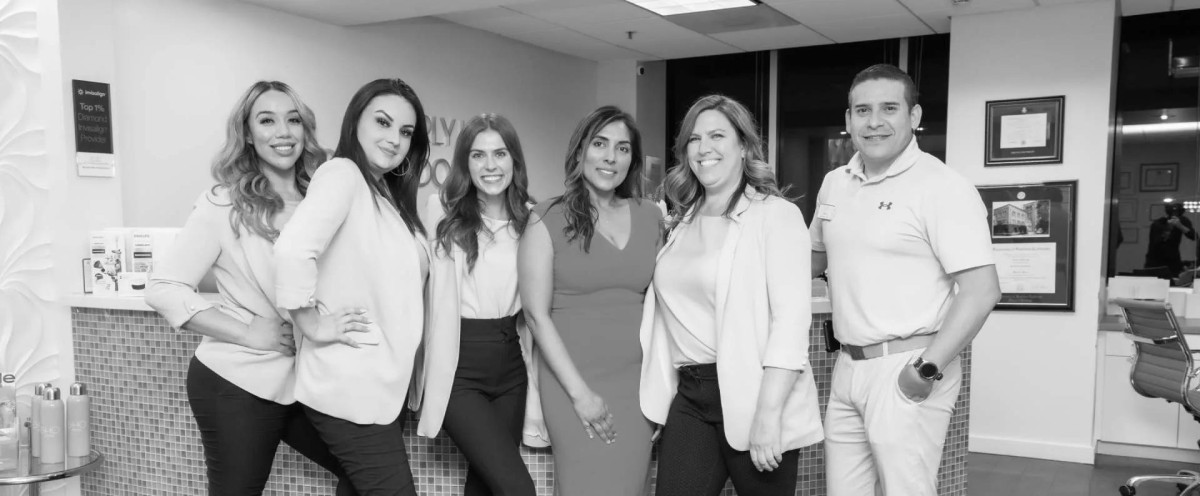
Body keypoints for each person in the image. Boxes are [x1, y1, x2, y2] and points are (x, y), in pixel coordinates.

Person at [146, 80, 354, 495]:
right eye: (267, 120)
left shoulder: (324, 200)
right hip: (237, 380)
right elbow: (163, 287)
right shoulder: (223, 204)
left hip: (307, 380)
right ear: (247, 133)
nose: (283, 132)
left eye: (293, 120)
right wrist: (247, 333)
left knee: (365, 471)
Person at [810, 63, 1001, 496]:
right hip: (848, 366)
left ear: (914, 116)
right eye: (862, 110)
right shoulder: (835, 184)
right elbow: (811, 258)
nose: (874, 122)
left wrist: (926, 369)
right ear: (848, 120)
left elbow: (982, 290)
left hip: (907, 365)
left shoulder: (942, 186)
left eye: (889, 108)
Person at [639, 94, 824, 496]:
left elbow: (790, 323)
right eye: (694, 139)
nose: (704, 148)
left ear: (743, 146)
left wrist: (768, 415)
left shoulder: (774, 215)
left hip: (756, 395)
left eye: (717, 136)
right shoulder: (682, 221)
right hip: (692, 396)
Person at [274, 78, 431, 495]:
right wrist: (312, 323)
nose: (394, 138)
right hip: (350, 385)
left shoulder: (384, 192)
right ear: (355, 121)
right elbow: (292, 250)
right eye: (383, 122)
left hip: (380, 386)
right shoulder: (342, 174)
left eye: (405, 131)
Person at [517, 106, 658, 496]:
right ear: (580, 150)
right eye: (600, 144)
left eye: (622, 148)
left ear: (632, 159)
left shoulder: (651, 216)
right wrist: (580, 396)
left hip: (637, 387)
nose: (610, 157)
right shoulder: (546, 218)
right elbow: (535, 315)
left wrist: (661, 391)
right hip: (572, 385)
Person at [416, 113, 539, 496]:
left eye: (500, 154)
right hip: (459, 369)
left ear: (514, 160)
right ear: (464, 163)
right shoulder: (442, 212)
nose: (490, 165)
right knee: (518, 489)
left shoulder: (531, 219)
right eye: (478, 155)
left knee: (486, 487)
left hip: (511, 368)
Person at [1146, 202, 1195, 274]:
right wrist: (1168, 229)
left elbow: (1193, 236)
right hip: (1155, 261)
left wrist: (1180, 226)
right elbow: (1156, 243)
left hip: (1173, 260)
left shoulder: (1182, 220)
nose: (1174, 214)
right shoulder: (1158, 223)